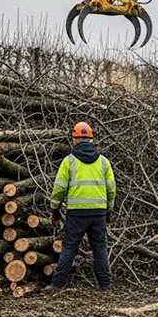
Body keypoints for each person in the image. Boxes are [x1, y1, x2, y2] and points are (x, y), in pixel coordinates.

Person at [45, 122, 116, 293]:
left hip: (76, 213)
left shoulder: (69, 162)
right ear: (91, 139)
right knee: (99, 247)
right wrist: (109, 210)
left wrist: (54, 209)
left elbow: (59, 188)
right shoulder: (104, 162)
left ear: (74, 139)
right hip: (98, 212)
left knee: (69, 247)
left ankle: (57, 285)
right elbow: (111, 188)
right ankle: (106, 285)